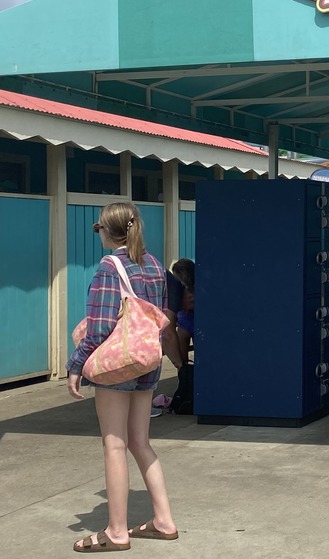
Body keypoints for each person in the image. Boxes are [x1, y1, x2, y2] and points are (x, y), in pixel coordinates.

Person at [66, 202, 179, 551]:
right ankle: (163, 521)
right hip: (146, 362)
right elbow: (162, 317)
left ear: (106, 230)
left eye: (97, 229)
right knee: (139, 442)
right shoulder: (155, 265)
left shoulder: (108, 267)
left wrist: (76, 365)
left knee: (113, 444)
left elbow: (100, 327)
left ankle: (116, 531)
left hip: (116, 365)